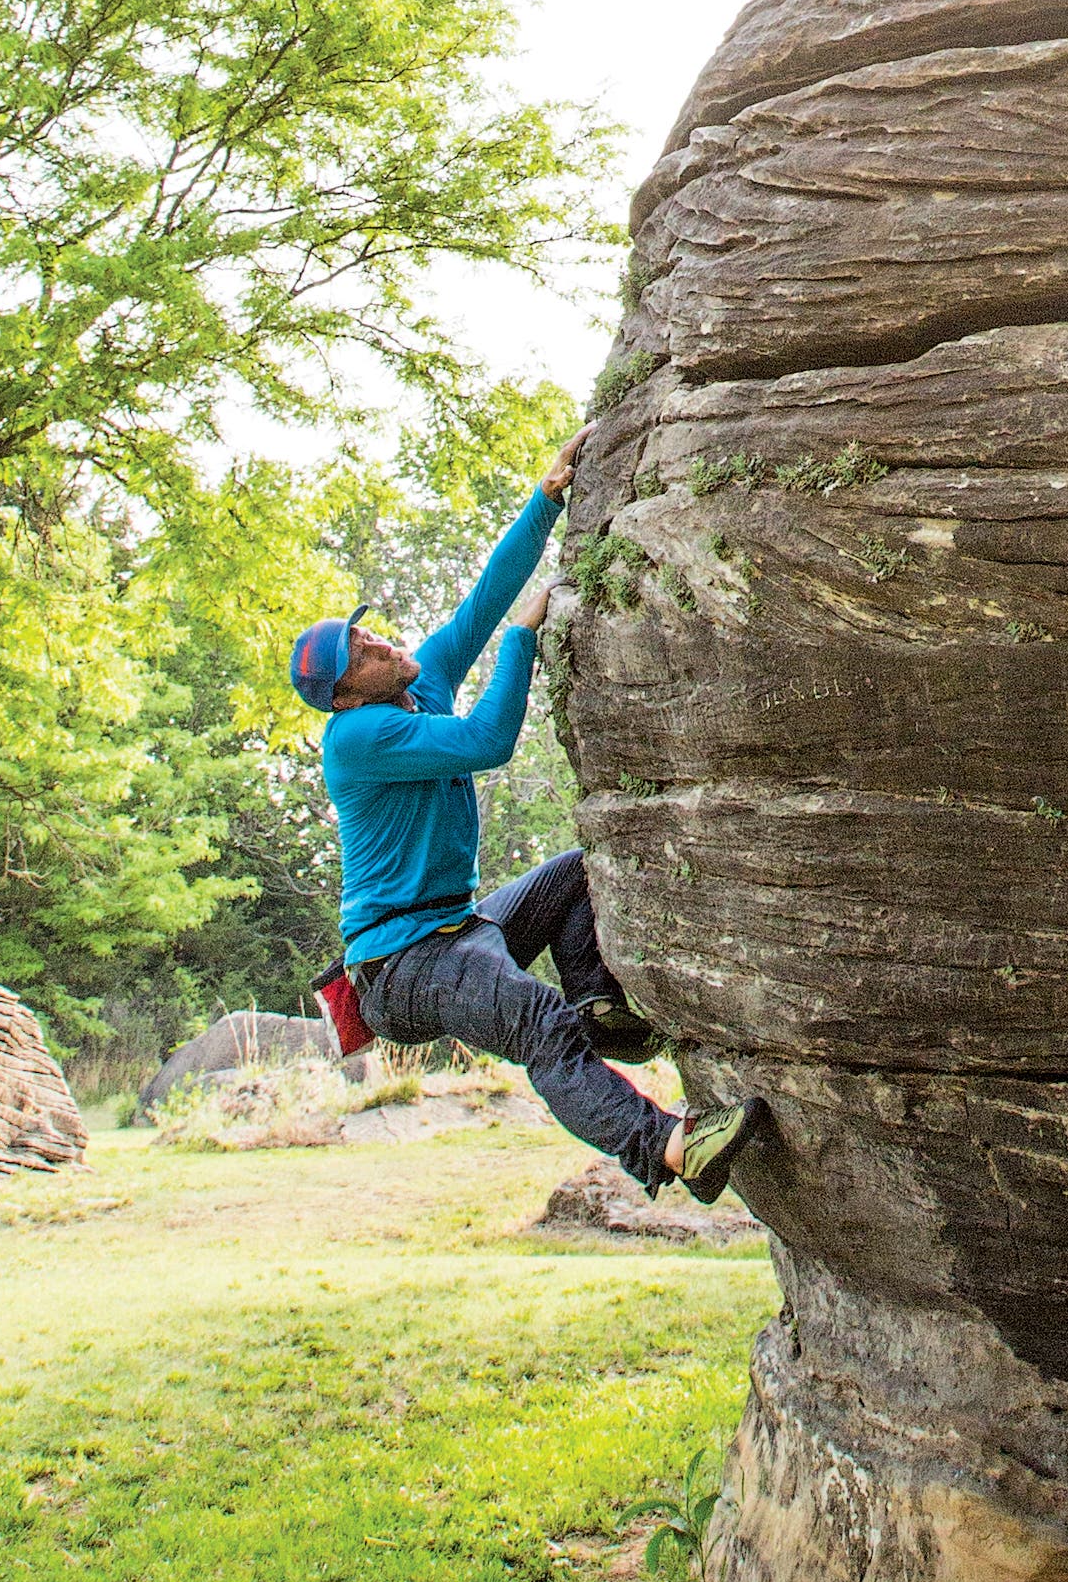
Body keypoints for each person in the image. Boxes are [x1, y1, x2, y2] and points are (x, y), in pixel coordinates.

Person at [289, 433, 757, 1201]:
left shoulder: (415, 683)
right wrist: (520, 643)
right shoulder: (360, 737)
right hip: (402, 969)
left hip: (459, 928)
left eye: (367, 630)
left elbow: (483, 598)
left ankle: (597, 1004)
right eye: (360, 652)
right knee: (541, 1030)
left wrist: (546, 498)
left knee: (575, 874)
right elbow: (488, 740)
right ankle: (668, 1149)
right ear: (344, 694)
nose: (380, 641)